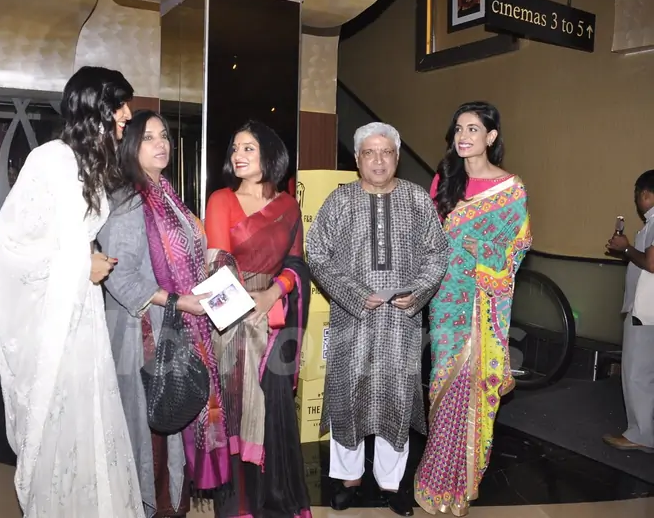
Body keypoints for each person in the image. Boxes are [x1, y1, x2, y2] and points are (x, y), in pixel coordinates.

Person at [0, 66, 144, 517]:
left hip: (82, 311)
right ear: (95, 108)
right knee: (61, 414)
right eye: (119, 105)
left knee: (88, 415)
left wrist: (87, 254)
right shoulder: (51, 159)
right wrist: (81, 263)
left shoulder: (91, 164)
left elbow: (67, 235)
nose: (126, 114)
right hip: (56, 318)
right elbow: (9, 245)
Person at [306, 122, 449, 516]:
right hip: (352, 318)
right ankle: (348, 479)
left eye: (386, 152)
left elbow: (438, 252)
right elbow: (316, 252)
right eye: (369, 152)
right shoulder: (340, 200)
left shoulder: (417, 199)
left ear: (397, 157)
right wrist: (354, 294)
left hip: (401, 320)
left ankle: (391, 482)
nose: (378, 160)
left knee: (396, 397)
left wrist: (417, 292)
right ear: (357, 159)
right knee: (347, 395)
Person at [98, 109, 230, 517]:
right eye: (148, 137)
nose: (161, 144)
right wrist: (177, 301)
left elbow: (187, 258)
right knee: (151, 428)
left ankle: (172, 504)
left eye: (164, 136)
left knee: (172, 423)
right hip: (144, 334)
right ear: (130, 146)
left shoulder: (168, 195)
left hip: (175, 326)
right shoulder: (127, 201)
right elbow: (121, 276)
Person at [414, 102, 532, 516]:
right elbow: (429, 240)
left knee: (474, 385)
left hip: (483, 302)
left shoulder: (510, 189)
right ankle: (435, 479)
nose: (462, 137)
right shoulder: (444, 179)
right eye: (459, 129)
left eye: (472, 129)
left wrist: (477, 249)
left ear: (491, 136)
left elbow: (518, 246)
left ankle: (460, 485)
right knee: (442, 383)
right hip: (446, 299)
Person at [204, 120, 312, 518]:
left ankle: (274, 503)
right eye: (235, 148)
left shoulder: (288, 206)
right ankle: (240, 507)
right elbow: (217, 268)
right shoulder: (221, 200)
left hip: (275, 317)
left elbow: (297, 265)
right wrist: (248, 312)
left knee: (275, 408)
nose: (238, 155)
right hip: (231, 324)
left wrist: (273, 293)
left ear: (270, 154)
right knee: (236, 406)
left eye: (248, 148)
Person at [603, 169, 654, 454]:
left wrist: (626, 249)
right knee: (646, 371)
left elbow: (652, 263)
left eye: (638, 195)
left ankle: (641, 434)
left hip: (646, 309)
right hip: (648, 309)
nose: (637, 201)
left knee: (637, 372)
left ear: (646, 194)